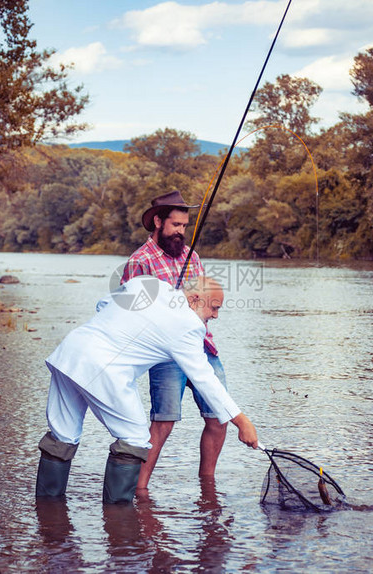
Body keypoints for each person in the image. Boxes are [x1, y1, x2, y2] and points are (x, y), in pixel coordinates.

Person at [35, 276, 258, 504]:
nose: (215, 315)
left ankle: (48, 519)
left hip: (71, 352)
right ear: (194, 299)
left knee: (63, 435)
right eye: (214, 308)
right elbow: (205, 379)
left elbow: (103, 304)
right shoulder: (188, 327)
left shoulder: (148, 284)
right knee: (136, 439)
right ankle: (120, 523)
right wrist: (242, 422)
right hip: (105, 369)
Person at [120, 190, 227, 490]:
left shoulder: (191, 256)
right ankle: (138, 490)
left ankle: (208, 487)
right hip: (166, 354)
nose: (181, 232)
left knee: (219, 417)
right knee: (164, 423)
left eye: (184, 226)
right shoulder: (139, 262)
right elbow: (129, 314)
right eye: (175, 225)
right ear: (157, 221)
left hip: (202, 347)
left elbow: (203, 304)